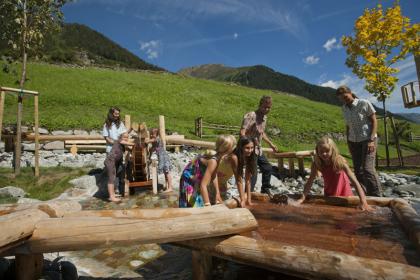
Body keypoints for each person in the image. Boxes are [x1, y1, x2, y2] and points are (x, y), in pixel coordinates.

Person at [297, 136, 372, 211]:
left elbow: (355, 182)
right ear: (317, 151)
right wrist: (302, 198)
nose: (324, 154)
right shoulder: (317, 163)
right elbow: (310, 181)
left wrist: (363, 202)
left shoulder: (339, 162)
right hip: (329, 196)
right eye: (321, 151)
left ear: (333, 150)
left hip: (345, 196)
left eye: (327, 151)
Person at [336, 86, 382, 197]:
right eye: (341, 98)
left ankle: (377, 196)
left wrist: (371, 140)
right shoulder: (344, 108)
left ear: (350, 93)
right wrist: (349, 143)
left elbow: (374, 121)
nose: (344, 99)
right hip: (353, 141)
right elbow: (348, 127)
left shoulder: (364, 103)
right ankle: (364, 194)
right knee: (357, 170)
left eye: (345, 97)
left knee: (367, 169)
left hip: (368, 139)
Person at [179, 135, 236, 208]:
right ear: (228, 149)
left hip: (197, 175)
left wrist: (217, 193)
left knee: (199, 202)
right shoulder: (214, 161)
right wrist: (208, 205)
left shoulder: (218, 157)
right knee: (192, 205)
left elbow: (214, 175)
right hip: (189, 177)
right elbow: (203, 185)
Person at [240, 95, 278, 194]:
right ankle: (248, 194)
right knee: (253, 174)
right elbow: (242, 131)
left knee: (267, 167)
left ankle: (265, 189)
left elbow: (261, 133)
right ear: (260, 105)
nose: (266, 109)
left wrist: (271, 144)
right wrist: (245, 146)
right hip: (250, 148)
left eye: (269, 107)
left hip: (258, 148)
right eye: (265, 107)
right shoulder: (251, 115)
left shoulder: (264, 118)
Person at [214, 136, 257, 207]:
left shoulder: (250, 157)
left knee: (221, 206)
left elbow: (248, 180)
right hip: (213, 179)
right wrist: (242, 200)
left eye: (252, 148)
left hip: (222, 182)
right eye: (247, 148)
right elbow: (239, 180)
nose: (250, 150)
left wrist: (249, 201)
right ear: (241, 147)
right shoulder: (234, 157)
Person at [102, 107, 127, 196]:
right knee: (112, 171)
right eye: (116, 113)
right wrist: (116, 142)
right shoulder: (106, 125)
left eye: (118, 114)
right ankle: (113, 192)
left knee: (120, 169)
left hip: (119, 150)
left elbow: (124, 133)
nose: (117, 115)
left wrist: (123, 138)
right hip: (111, 150)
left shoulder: (120, 123)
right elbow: (106, 138)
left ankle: (118, 189)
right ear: (111, 114)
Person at [104, 133, 134, 202]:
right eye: (124, 137)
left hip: (114, 162)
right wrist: (134, 143)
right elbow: (128, 143)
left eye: (127, 137)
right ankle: (111, 197)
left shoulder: (123, 145)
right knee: (111, 178)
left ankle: (113, 194)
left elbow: (129, 148)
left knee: (114, 177)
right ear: (120, 137)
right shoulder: (118, 141)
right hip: (110, 161)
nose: (126, 139)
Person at [149, 128, 173, 192]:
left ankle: (170, 187)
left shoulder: (158, 138)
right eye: (151, 134)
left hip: (164, 157)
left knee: (167, 172)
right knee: (165, 172)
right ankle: (167, 186)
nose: (151, 135)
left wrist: (146, 140)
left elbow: (152, 140)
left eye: (153, 134)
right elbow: (153, 148)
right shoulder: (155, 142)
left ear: (157, 134)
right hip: (161, 158)